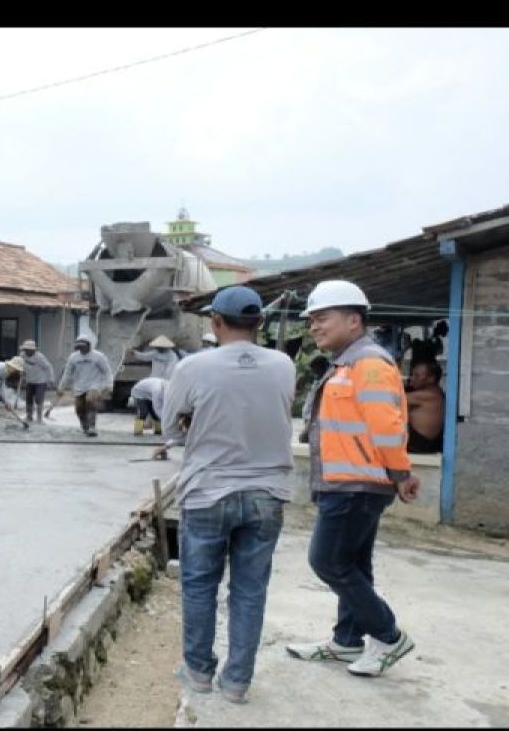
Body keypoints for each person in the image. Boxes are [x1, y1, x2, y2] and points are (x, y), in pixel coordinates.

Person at [163, 285, 295, 704]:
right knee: (250, 589)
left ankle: (199, 673)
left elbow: (169, 430)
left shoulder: (193, 368)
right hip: (267, 493)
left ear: (215, 322)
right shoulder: (284, 364)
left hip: (207, 492)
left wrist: (193, 422)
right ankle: (237, 683)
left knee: (200, 586)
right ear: (259, 323)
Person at [286, 280, 420, 677]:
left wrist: (401, 472)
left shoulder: (370, 365)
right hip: (347, 482)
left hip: (357, 485)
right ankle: (347, 642)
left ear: (353, 320)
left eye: (322, 318)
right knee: (354, 565)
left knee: (327, 561)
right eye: (311, 320)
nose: (314, 327)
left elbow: (386, 427)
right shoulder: (347, 364)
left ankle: (388, 636)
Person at [57, 332, 113, 437]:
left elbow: (107, 372)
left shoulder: (98, 356)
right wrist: (61, 387)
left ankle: (92, 426)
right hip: (79, 385)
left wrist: (110, 386)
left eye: (84, 346)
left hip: (95, 384)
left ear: (89, 345)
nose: (82, 349)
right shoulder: (73, 357)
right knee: (79, 408)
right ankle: (85, 426)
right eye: (80, 347)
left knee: (90, 400)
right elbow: (67, 373)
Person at [406, 360, 444, 454]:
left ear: (431, 378)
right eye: (412, 374)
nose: (412, 378)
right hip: (429, 443)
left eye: (417, 376)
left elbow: (392, 399)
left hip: (419, 445)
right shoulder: (438, 393)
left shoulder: (428, 395)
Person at [298, 354, 333, 443]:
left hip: (316, 420)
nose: (314, 373)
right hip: (310, 420)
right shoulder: (318, 380)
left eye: (316, 370)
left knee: (303, 439)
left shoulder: (329, 380)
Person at [18, 340, 55, 423]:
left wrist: (51, 379)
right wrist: (22, 376)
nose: (27, 351)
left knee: (38, 399)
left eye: (29, 349)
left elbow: (49, 367)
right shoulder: (22, 356)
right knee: (28, 399)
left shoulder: (39, 357)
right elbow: (21, 366)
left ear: (33, 350)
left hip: (40, 381)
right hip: (29, 381)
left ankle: (39, 418)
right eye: (25, 349)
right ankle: (29, 416)